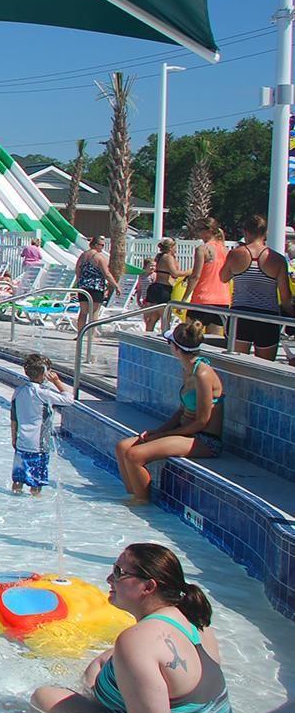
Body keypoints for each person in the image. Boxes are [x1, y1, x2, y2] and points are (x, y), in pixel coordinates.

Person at [31, 543, 235, 713]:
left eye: (119, 572)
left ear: (148, 586)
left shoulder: (138, 641)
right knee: (101, 663)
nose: (109, 578)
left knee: (44, 697)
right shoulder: (194, 621)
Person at [114, 321, 225, 504]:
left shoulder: (202, 375)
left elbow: (201, 421)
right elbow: (182, 411)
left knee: (135, 456)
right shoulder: (187, 370)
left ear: (176, 348)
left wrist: (163, 435)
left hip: (204, 440)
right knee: (122, 447)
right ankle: (133, 496)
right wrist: (158, 432)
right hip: (185, 433)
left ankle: (142, 505)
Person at [219, 213, 289, 360]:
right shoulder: (278, 259)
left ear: (245, 231)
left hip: (240, 315)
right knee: (264, 367)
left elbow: (223, 278)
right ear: (265, 232)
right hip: (267, 317)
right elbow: (285, 297)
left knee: (237, 364)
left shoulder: (235, 254)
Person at [11, 354, 72, 495]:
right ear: (44, 373)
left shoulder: (18, 391)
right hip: (38, 446)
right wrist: (57, 382)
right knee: (36, 482)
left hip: (21, 443)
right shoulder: (42, 393)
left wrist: (13, 438)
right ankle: (35, 503)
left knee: (18, 479)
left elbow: (14, 418)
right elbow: (69, 399)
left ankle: (14, 499)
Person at [185, 216, 230, 334]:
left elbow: (195, 276)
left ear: (209, 230)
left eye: (199, 229)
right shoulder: (225, 250)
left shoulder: (202, 249)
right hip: (222, 300)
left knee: (190, 336)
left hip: (202, 299)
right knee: (213, 340)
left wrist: (184, 299)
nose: (196, 232)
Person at [73, 235, 118, 345]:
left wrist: (79, 281)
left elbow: (77, 270)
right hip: (96, 286)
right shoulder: (99, 257)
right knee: (94, 312)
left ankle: (80, 335)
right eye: (101, 245)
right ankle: (91, 336)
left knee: (83, 312)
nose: (102, 247)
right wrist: (116, 286)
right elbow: (106, 274)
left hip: (83, 286)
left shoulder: (83, 256)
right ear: (95, 245)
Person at [142, 239, 186, 334]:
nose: (176, 249)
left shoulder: (160, 256)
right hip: (163, 289)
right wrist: (189, 272)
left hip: (156, 287)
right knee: (165, 318)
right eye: (175, 247)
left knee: (153, 317)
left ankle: (147, 336)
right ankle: (165, 336)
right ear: (171, 247)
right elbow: (175, 273)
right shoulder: (168, 257)